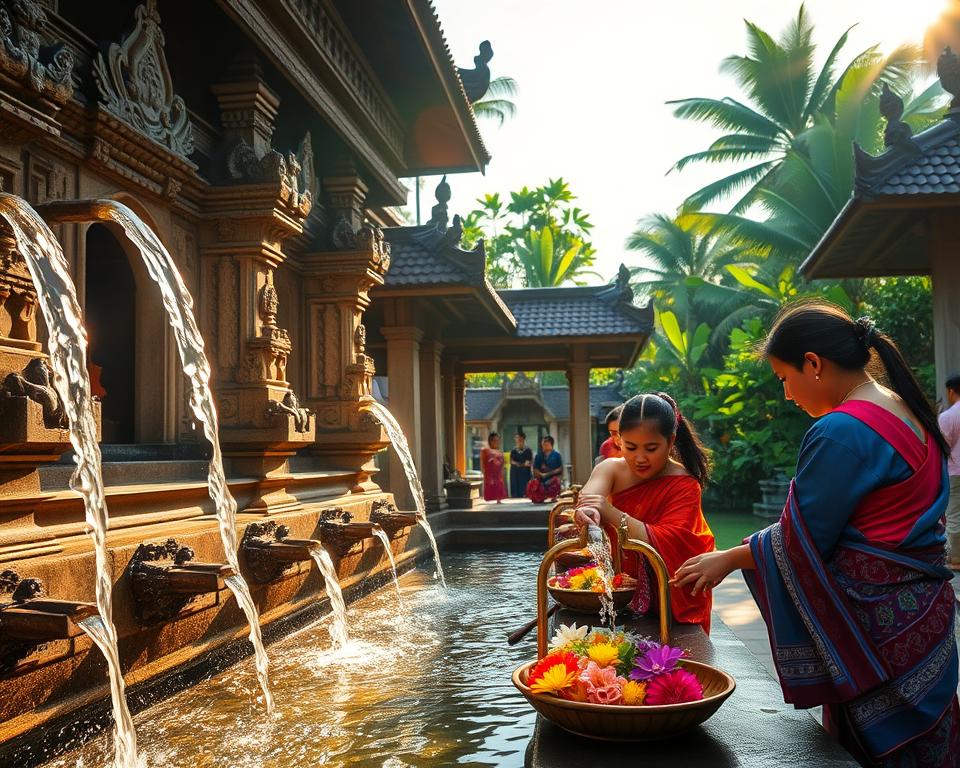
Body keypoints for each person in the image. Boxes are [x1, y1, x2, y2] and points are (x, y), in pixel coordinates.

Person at [673, 302, 959, 767]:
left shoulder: (841, 430)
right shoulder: (906, 409)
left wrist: (727, 558)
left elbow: (800, 538)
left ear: (813, 364)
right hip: (925, 618)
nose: (787, 395)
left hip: (878, 626)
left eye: (785, 378)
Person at [574, 392, 715, 632]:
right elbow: (590, 496)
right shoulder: (611, 469)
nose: (640, 458)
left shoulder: (685, 484)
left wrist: (609, 511)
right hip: (625, 587)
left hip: (670, 593)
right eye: (630, 447)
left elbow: (667, 540)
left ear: (670, 442)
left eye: (651, 448)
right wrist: (586, 511)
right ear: (619, 439)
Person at [938, 374, 960, 569]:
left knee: (953, 513)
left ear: (951, 391)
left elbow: (944, 446)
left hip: (955, 470)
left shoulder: (948, 416)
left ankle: (955, 557)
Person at [527, 436, 563, 503]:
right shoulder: (539, 456)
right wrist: (541, 474)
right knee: (533, 484)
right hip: (541, 478)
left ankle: (553, 496)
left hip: (552, 477)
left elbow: (560, 468)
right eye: (543, 444)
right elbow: (535, 468)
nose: (544, 446)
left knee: (555, 481)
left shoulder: (557, 455)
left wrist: (548, 474)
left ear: (551, 444)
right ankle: (540, 497)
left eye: (546, 444)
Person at [480, 432, 507, 503]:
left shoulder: (500, 452)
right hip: (490, 475)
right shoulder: (485, 451)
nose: (497, 442)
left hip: (498, 475)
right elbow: (482, 463)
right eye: (495, 440)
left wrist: (503, 472)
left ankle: (499, 499)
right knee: (490, 490)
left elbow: (502, 464)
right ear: (491, 441)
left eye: (498, 440)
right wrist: (483, 473)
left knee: (499, 487)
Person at [509, 431, 533, 498]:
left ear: (523, 439)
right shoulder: (513, 450)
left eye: (520, 438)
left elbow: (528, 463)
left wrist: (519, 464)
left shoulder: (528, 450)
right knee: (515, 489)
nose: (518, 440)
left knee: (524, 488)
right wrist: (521, 464)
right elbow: (511, 461)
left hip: (524, 473)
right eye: (516, 438)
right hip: (515, 473)